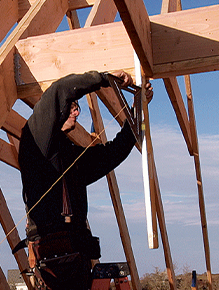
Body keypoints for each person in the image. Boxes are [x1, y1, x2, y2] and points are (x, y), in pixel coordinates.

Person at [18, 70, 152, 290]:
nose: (77, 112)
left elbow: (112, 154)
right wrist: (104, 78)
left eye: (77, 107)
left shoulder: (70, 156)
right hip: (52, 257)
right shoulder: (35, 140)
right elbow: (59, 90)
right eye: (72, 107)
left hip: (75, 256)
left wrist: (139, 108)